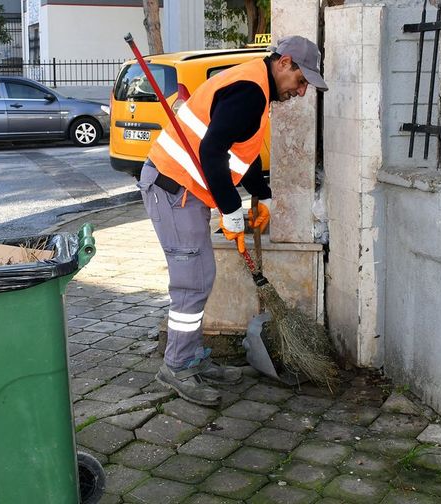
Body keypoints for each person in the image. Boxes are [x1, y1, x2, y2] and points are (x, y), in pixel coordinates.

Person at [138, 35, 328, 406]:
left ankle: (190, 358)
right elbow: (210, 150)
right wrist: (230, 208)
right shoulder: (250, 91)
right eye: (302, 80)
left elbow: (241, 148)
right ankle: (176, 366)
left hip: (183, 189)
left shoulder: (255, 83)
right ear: (284, 62)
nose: (302, 92)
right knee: (191, 282)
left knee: (201, 277)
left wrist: (263, 193)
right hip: (173, 188)